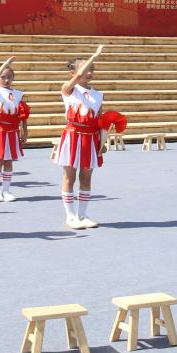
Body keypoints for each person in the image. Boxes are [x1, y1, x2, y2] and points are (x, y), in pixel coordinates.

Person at [57, 46, 118, 227]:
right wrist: (94, 56)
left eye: (92, 69)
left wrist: (101, 141)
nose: (89, 72)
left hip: (90, 139)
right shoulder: (69, 89)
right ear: (73, 73)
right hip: (73, 136)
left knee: (86, 177)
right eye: (85, 69)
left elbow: (99, 119)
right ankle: (70, 216)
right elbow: (77, 77)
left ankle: (82, 215)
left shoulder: (98, 94)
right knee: (70, 177)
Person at [0, 57, 29, 202]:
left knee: (9, 161)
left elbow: (23, 115)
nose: (6, 80)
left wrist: (25, 131)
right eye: (2, 77)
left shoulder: (18, 94)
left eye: (9, 77)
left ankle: (6, 190)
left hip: (12, 131)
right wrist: (6, 64)